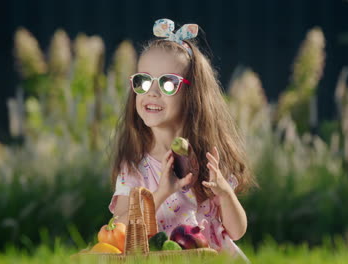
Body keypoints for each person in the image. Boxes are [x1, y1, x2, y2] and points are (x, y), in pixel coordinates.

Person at [108, 18, 257, 262]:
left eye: (168, 83)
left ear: (192, 94)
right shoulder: (134, 167)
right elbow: (119, 231)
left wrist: (225, 193)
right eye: (143, 81)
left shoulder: (207, 160)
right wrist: (160, 193)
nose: (152, 92)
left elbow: (237, 231)